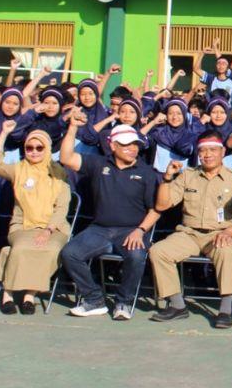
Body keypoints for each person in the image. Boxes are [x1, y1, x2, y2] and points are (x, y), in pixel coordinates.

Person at [59, 114, 160, 320]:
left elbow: (155, 210)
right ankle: (94, 299)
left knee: (137, 256)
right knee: (70, 253)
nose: (132, 149)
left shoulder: (147, 172)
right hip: (99, 229)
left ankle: (123, 302)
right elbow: (66, 158)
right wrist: (72, 128)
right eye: (126, 145)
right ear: (113, 146)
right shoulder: (98, 164)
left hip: (132, 230)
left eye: (135, 145)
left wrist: (140, 231)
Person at [149, 130, 232, 329]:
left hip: (219, 233)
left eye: (213, 150)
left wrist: (228, 233)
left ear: (222, 152)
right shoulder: (188, 175)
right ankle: (178, 306)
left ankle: (225, 309)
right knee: (158, 251)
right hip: (188, 233)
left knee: (227, 251)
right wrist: (168, 178)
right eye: (203, 151)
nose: (208, 154)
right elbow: (162, 205)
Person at [0, 122, 71, 315]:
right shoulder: (18, 169)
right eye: (29, 148)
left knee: (49, 248)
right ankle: (7, 294)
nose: (34, 152)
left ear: (47, 149)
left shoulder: (59, 173)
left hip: (54, 227)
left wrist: (48, 230)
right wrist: (4, 133)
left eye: (39, 148)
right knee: (20, 248)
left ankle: (29, 295)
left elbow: (62, 209)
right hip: (23, 226)